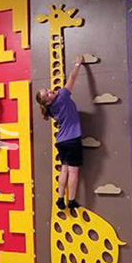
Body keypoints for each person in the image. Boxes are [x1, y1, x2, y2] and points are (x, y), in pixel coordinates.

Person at [35, 56, 84, 210]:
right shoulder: (62, 96)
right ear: (47, 101)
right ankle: (71, 201)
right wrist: (78, 63)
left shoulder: (50, 109)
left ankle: (60, 198)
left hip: (61, 141)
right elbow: (72, 77)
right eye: (47, 94)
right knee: (73, 171)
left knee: (64, 169)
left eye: (47, 90)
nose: (50, 91)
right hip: (72, 139)